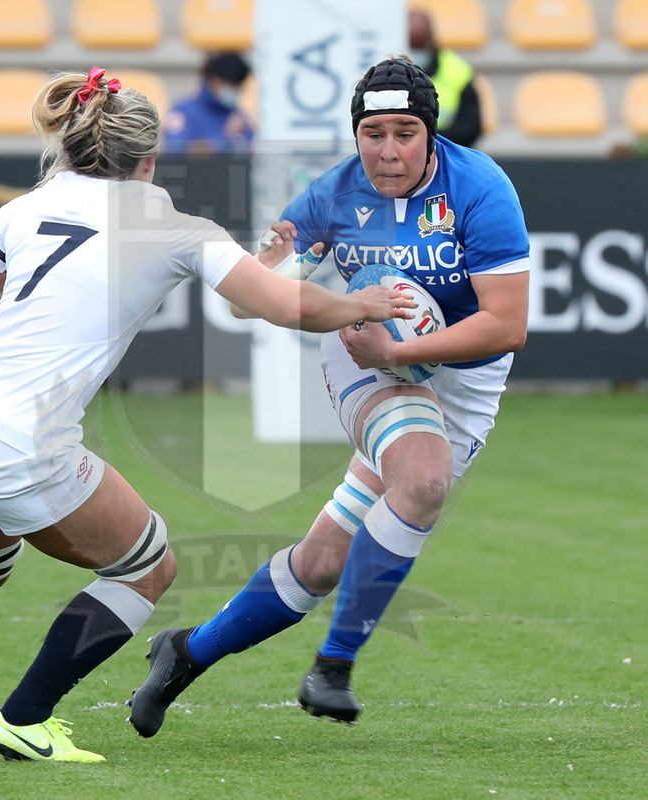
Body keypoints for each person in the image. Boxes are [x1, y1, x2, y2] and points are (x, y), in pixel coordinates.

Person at [0, 66, 416, 763]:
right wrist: (363, 303)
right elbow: (281, 306)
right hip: (20, 438)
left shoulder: (33, 204)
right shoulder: (175, 227)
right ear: (151, 159)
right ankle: (23, 720)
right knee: (146, 567)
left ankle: (19, 716)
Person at [127, 56, 530, 736]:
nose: (388, 151)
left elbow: (506, 326)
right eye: (373, 133)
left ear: (430, 133)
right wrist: (269, 265)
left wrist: (400, 351)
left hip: (460, 376)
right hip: (363, 357)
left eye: (405, 133)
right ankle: (333, 666)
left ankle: (186, 652)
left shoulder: (479, 188)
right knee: (424, 479)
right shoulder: (330, 196)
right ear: (355, 134)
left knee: (322, 563)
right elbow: (254, 300)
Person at [408, 9, 482, 148]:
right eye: (412, 47)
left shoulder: (458, 72)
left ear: (431, 39)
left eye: (419, 47)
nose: (416, 54)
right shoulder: (388, 73)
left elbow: (471, 127)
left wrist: (429, 140)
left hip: (448, 151)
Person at [164, 52, 254, 154]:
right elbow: (175, 151)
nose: (234, 91)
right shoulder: (183, 112)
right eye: (231, 85)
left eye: (238, 87)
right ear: (213, 80)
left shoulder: (236, 115)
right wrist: (225, 137)